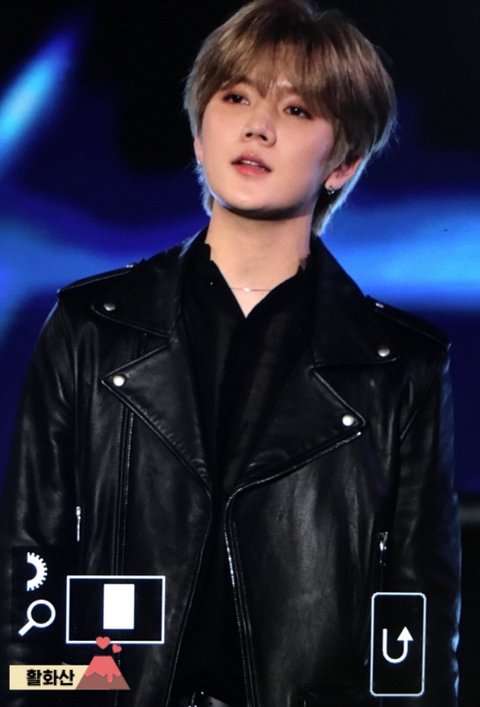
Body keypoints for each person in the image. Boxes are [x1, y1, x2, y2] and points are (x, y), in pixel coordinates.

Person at [0, 1, 460, 705]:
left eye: (296, 109)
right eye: (236, 97)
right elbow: (29, 574)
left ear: (343, 163)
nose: (257, 126)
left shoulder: (399, 365)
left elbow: (416, 618)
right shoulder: (91, 327)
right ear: (198, 132)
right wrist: (55, 693)